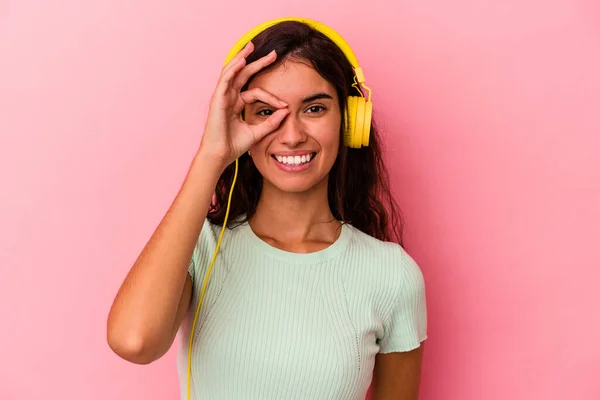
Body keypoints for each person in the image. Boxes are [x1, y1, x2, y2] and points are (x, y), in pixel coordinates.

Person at [107, 18, 428, 400]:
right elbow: (134, 341)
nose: (291, 136)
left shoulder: (392, 275)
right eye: (265, 111)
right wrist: (213, 155)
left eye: (314, 108)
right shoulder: (199, 249)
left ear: (349, 120)